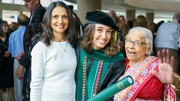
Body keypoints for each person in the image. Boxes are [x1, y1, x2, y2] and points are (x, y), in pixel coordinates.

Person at [30, 1, 78, 101]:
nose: (60, 21)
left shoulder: (74, 45)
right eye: (55, 16)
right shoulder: (41, 48)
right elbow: (35, 84)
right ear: (48, 19)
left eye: (64, 16)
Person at [114, 27, 176, 101]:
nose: (130, 46)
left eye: (137, 43)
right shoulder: (118, 64)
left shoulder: (158, 66)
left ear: (148, 48)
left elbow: (176, 83)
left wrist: (174, 80)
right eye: (129, 41)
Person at [76, 10, 126, 101]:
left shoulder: (116, 60)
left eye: (108, 32)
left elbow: (112, 94)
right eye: (99, 30)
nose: (104, 36)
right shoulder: (78, 49)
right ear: (90, 30)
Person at [15, 0, 46, 100]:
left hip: (35, 63)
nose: (25, 4)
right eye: (24, 1)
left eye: (28, 1)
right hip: (31, 59)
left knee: (31, 92)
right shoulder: (33, 14)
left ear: (37, 0)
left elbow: (36, 43)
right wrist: (25, 51)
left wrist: (22, 64)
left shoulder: (40, 14)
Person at [8, 14, 28, 101]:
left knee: (18, 86)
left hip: (17, 61)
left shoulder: (13, 35)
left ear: (18, 23)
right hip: (29, 61)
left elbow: (11, 51)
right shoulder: (30, 34)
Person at [0, 20, 14, 101]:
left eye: (7, 26)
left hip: (9, 61)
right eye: (4, 26)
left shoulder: (10, 36)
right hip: (0, 62)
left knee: (10, 81)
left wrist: (10, 51)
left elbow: (14, 47)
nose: (7, 27)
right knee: (0, 81)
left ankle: (10, 99)